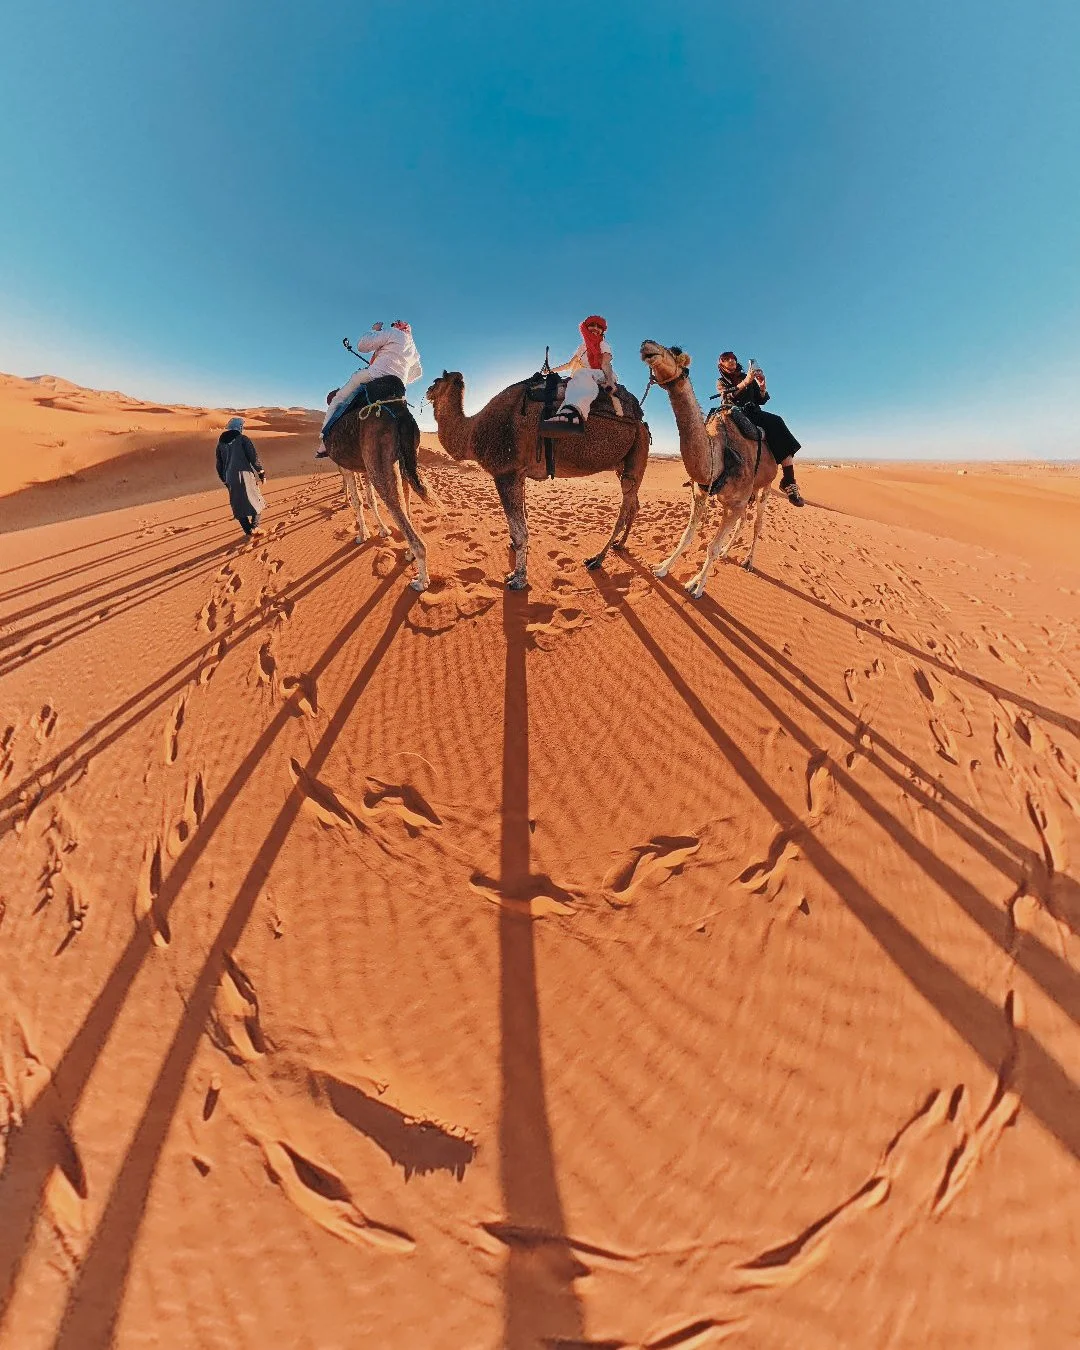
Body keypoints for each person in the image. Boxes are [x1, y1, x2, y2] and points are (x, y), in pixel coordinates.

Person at [315, 320, 422, 457]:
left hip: (374, 375)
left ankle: (325, 440)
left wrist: (375, 330)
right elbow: (418, 373)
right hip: (398, 385)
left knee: (339, 398)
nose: (393, 325)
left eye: (395, 324)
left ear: (400, 326)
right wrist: (400, 377)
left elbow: (362, 346)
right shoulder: (413, 350)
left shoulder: (393, 333)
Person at [715, 351, 805, 507]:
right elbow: (727, 398)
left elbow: (760, 399)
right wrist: (745, 383)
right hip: (734, 413)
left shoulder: (746, 377)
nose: (731, 360)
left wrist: (762, 387)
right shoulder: (721, 381)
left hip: (754, 413)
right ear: (721, 364)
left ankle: (789, 482)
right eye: (727, 359)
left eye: (733, 358)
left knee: (777, 422)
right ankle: (704, 476)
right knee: (711, 429)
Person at [545, 315, 618, 429]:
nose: (595, 328)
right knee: (572, 382)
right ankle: (563, 415)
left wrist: (610, 381)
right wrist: (550, 371)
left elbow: (606, 364)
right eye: (592, 325)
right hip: (584, 375)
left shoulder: (603, 344)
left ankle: (575, 414)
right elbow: (569, 365)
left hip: (602, 373)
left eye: (599, 327)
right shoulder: (582, 347)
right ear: (585, 327)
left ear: (602, 331)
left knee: (581, 373)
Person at [215, 416, 266, 536]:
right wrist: (261, 472)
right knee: (257, 501)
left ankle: (248, 530)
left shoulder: (220, 443)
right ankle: (254, 527)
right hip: (246, 476)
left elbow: (219, 463)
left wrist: (224, 479)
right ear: (239, 427)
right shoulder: (243, 439)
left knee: (238, 505)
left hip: (229, 478)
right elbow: (253, 457)